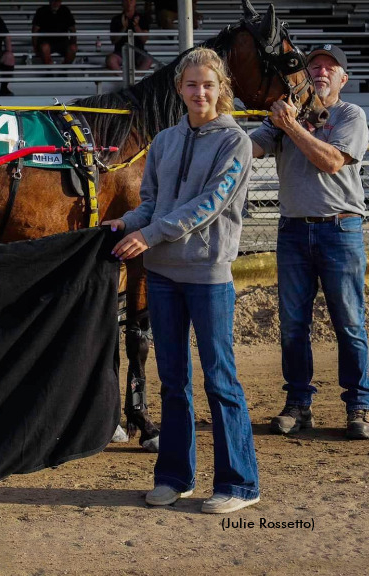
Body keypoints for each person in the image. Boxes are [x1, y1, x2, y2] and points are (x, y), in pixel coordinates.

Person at [103, 48, 259, 514]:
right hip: (164, 276)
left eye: (208, 85)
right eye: (191, 85)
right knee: (173, 380)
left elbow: (208, 205)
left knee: (220, 379)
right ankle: (174, 476)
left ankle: (239, 484)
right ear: (180, 90)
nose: (200, 92)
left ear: (221, 89)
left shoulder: (236, 143)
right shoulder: (165, 141)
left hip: (208, 276)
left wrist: (148, 235)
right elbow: (151, 202)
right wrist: (126, 223)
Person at [249, 44, 369, 440]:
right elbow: (251, 149)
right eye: (314, 65)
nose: (320, 71)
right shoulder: (284, 114)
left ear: (342, 79)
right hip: (295, 229)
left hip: (341, 228)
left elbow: (332, 161)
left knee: (349, 323)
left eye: (329, 67)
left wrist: (291, 126)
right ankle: (299, 404)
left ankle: (359, 406)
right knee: (293, 326)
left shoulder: (351, 115)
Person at [106, 0, 152, 71]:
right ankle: (123, 79)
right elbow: (113, 40)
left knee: (149, 59)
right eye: (126, 0)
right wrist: (123, 28)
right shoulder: (116, 19)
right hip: (121, 52)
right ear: (123, 2)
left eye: (131, 0)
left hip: (138, 52)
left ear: (135, 2)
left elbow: (144, 39)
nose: (129, 3)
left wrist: (136, 26)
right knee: (111, 59)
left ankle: (138, 80)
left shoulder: (142, 18)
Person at [32, 0, 77, 66]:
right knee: (44, 47)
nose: (55, 3)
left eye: (57, 1)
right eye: (53, 1)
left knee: (73, 48)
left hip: (63, 41)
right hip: (46, 41)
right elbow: (35, 30)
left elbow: (72, 29)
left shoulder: (65, 10)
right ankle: (49, 71)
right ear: (49, 1)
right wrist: (35, 47)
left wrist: (73, 43)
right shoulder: (41, 10)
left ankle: (64, 70)